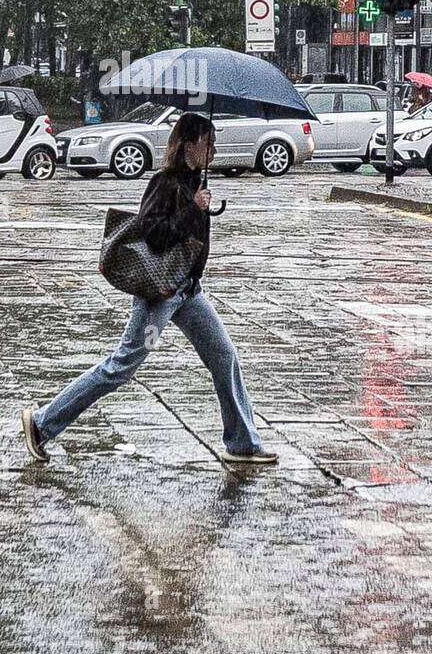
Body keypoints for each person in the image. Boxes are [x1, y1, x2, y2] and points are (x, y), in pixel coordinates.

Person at [22, 112, 277, 466]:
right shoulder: (165, 183)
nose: (214, 151)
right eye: (209, 143)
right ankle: (41, 424)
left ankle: (242, 444)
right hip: (158, 296)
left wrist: (200, 206)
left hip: (188, 293)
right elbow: (154, 236)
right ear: (190, 145)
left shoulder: (194, 184)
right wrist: (193, 208)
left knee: (224, 357)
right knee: (121, 367)